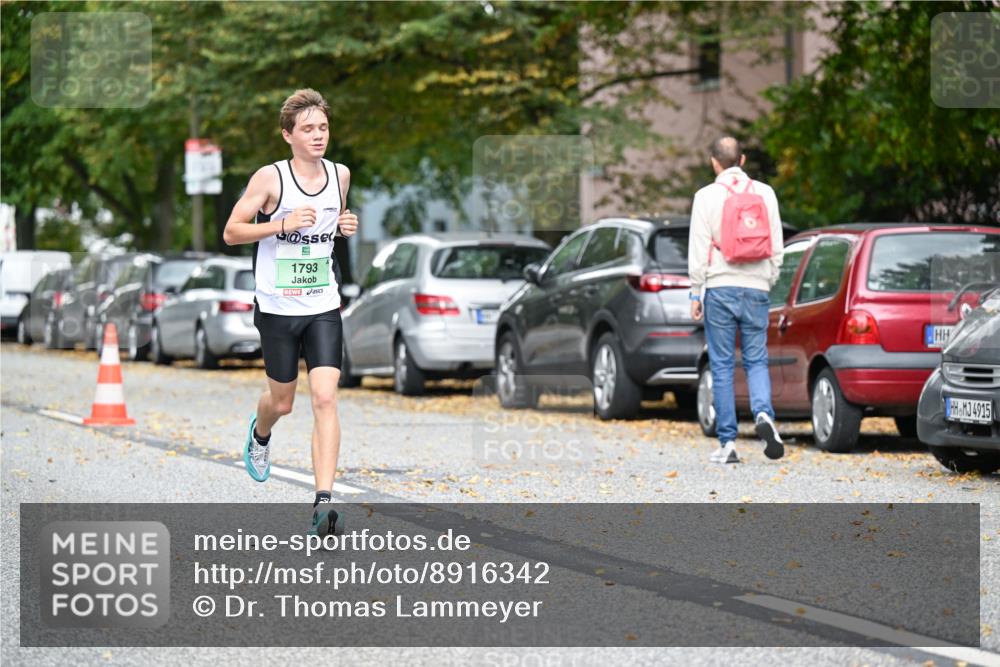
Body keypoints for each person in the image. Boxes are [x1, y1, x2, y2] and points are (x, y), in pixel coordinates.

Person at [223, 88, 359, 534]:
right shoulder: (271, 178)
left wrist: (345, 225)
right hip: (278, 308)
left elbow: (331, 226)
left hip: (323, 303)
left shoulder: (340, 175)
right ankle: (260, 433)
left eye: (323, 127)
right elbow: (231, 232)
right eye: (308, 129)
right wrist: (281, 223)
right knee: (282, 402)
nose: (318, 136)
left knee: (325, 397)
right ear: (288, 135)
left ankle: (323, 502)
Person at [688, 136, 784, 464]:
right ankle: (764, 415)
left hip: (719, 287)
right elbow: (777, 245)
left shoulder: (705, 196)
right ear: (742, 160)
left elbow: (699, 248)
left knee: (723, 365)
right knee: (757, 359)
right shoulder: (766, 193)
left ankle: (728, 444)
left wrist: (695, 291)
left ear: (715, 162)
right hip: (756, 288)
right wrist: (766, 279)